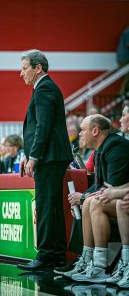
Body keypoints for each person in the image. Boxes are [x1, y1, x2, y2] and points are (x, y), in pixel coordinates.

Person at [17, 49, 73, 270]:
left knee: (47, 206)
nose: (21, 73)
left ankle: (47, 256)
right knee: (51, 206)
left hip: (49, 157)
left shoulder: (45, 88)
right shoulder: (43, 89)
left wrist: (34, 157)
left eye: (24, 68)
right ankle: (55, 254)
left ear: (37, 68)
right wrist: (26, 153)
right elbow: (36, 129)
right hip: (50, 157)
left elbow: (43, 128)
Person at [57, 114, 129, 283]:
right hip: (120, 197)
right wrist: (82, 198)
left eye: (82, 130)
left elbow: (112, 186)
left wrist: (83, 197)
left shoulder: (116, 146)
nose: (80, 134)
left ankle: (99, 266)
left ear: (95, 131)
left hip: (122, 197)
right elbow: (98, 186)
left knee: (93, 202)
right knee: (89, 201)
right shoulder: (100, 149)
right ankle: (88, 260)